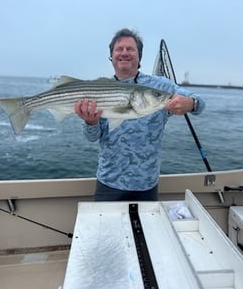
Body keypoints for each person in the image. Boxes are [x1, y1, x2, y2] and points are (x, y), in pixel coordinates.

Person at [75, 28, 206, 201]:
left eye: (130, 49)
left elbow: (200, 103)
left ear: (139, 56)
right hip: (108, 183)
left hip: (146, 185)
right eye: (119, 49)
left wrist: (191, 103)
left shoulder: (160, 87)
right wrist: (91, 123)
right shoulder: (100, 90)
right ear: (111, 57)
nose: (124, 53)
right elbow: (93, 137)